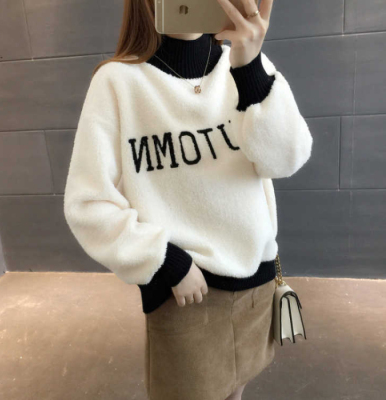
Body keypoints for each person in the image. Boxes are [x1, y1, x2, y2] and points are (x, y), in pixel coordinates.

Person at [63, 0, 313, 399]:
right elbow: (88, 203)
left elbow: (286, 160)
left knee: (237, 388)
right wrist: (164, 260)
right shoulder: (118, 82)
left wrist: (250, 68)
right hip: (184, 294)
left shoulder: (245, 66)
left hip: (256, 283)